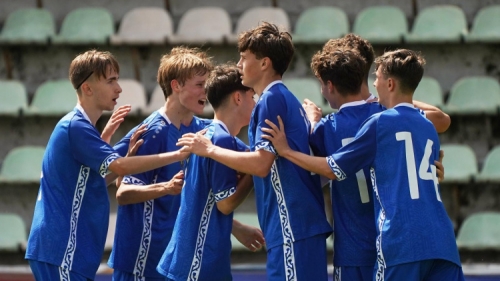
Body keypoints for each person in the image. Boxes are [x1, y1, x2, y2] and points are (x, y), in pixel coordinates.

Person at [261, 49, 464, 281]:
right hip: (442, 241)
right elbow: (440, 124)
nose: (374, 84)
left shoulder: (367, 123)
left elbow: (332, 168)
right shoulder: (424, 125)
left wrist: (287, 149)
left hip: (389, 242)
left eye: (376, 78)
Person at [176, 22, 332, 280]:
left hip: (291, 226)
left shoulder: (271, 99)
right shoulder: (280, 98)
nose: (239, 64)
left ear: (264, 64)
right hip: (294, 228)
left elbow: (261, 164)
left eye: (244, 58)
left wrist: (210, 150)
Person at [25, 50, 192, 281]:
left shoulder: (80, 127)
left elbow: (93, 183)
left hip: (66, 252)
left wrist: (116, 151)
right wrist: (176, 154)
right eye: (111, 80)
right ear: (88, 88)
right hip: (62, 249)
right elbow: (121, 166)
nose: (119, 88)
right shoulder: (76, 126)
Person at [108, 48, 264, 281]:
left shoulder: (205, 131)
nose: (206, 91)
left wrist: (236, 227)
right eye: (200, 84)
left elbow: (249, 163)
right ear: (176, 85)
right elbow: (122, 191)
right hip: (141, 255)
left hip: (176, 255)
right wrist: (165, 188)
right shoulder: (152, 131)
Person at [156, 64, 256, 280]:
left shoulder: (212, 134)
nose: (256, 103)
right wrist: (254, 173)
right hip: (198, 261)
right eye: (253, 96)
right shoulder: (221, 140)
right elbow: (225, 203)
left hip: (190, 255)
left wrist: (236, 228)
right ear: (238, 98)